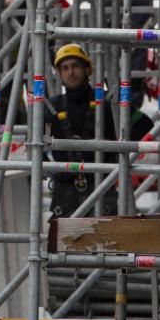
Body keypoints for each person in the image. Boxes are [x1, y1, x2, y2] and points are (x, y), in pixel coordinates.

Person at [47, 43, 117, 217]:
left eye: (75, 66)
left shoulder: (106, 104)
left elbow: (141, 125)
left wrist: (116, 162)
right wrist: (54, 170)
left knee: (105, 241)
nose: (71, 72)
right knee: (65, 243)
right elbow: (34, 145)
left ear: (87, 69)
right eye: (65, 68)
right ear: (60, 74)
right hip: (65, 190)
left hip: (100, 185)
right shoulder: (52, 107)